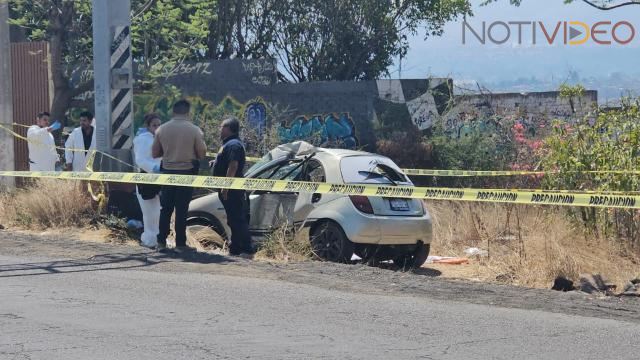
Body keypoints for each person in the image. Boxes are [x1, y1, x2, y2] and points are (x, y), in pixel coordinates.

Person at [152, 100, 207, 252]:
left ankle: (161, 242)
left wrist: (169, 153)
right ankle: (181, 244)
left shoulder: (161, 130)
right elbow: (202, 153)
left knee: (166, 209)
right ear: (188, 112)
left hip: (167, 173)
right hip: (186, 172)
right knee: (182, 210)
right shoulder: (194, 130)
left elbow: (154, 153)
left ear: (173, 112)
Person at [211, 116, 253, 256]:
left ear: (228, 128)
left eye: (222, 127)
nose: (220, 129)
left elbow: (233, 165)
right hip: (229, 189)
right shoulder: (228, 144)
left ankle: (247, 249)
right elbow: (227, 162)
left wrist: (226, 186)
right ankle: (235, 248)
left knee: (237, 219)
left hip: (232, 190)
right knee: (232, 219)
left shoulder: (234, 144)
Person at [133, 113, 162, 249]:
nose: (157, 127)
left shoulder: (158, 138)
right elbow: (140, 160)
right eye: (154, 125)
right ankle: (149, 238)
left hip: (158, 178)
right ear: (148, 126)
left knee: (157, 211)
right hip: (146, 177)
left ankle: (155, 237)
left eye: (159, 125)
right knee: (149, 211)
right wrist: (154, 168)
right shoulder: (143, 139)